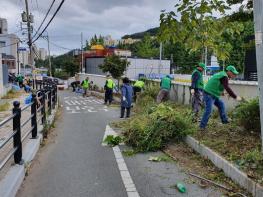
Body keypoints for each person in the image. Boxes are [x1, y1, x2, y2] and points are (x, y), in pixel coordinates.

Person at [199, 65, 242, 130]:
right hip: (209, 94)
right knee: (209, 110)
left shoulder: (222, 74)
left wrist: (221, 93)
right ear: (229, 71)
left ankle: (224, 121)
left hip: (213, 94)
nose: (234, 75)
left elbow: (216, 84)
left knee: (221, 105)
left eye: (235, 74)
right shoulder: (224, 77)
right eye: (233, 73)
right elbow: (227, 88)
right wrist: (235, 97)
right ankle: (202, 127)